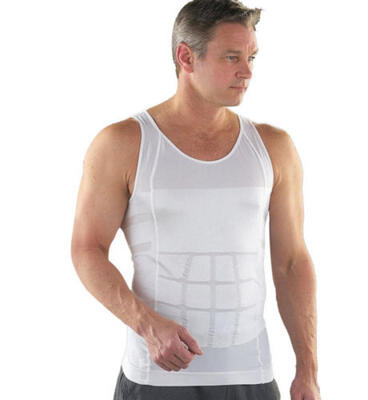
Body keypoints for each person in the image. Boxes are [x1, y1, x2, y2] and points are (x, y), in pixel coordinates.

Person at [70, 0, 321, 399]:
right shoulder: (123, 143)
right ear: (186, 57)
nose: (247, 71)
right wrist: (147, 324)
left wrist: (307, 368)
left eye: (252, 57)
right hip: (155, 380)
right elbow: (87, 249)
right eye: (232, 57)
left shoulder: (274, 147)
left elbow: (291, 262)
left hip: (251, 376)